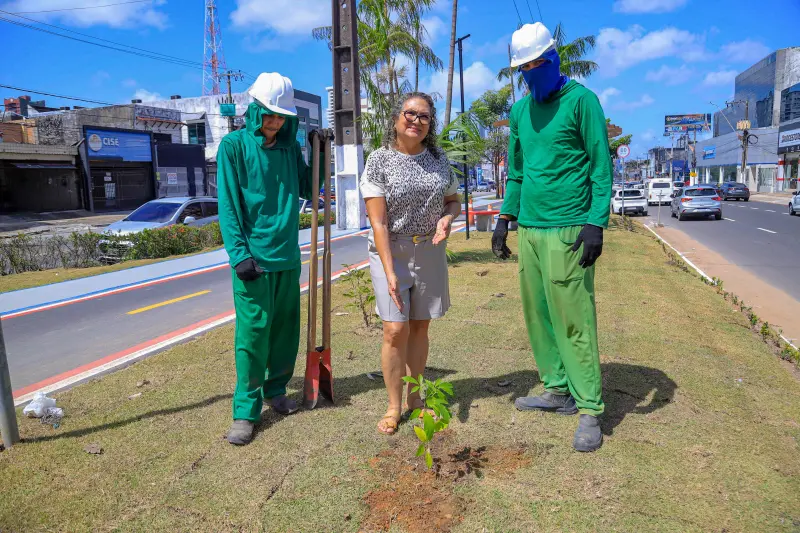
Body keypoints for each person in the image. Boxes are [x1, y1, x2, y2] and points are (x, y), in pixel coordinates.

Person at [491, 23, 613, 452]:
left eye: (536, 63)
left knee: (574, 318)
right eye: (523, 67)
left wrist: (596, 222)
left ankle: (589, 407)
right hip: (530, 228)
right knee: (538, 314)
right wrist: (505, 218)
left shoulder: (582, 102)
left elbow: (600, 166)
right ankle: (557, 388)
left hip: (570, 229)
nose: (530, 72)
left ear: (553, 58)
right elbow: (517, 172)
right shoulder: (520, 112)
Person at [217, 72, 318, 445]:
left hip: (287, 256)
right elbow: (228, 204)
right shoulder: (233, 146)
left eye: (281, 116)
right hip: (253, 261)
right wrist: (239, 255)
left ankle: (275, 390)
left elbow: (309, 186)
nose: (275, 122)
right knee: (253, 334)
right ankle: (245, 411)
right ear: (255, 110)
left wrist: (320, 152)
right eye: (269, 114)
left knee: (285, 330)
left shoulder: (290, 149)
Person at [360, 92, 461, 435]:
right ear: (396, 118)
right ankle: (393, 406)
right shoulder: (379, 160)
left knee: (419, 326)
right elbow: (378, 223)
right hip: (391, 250)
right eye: (410, 114)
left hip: (429, 250)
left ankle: (414, 399)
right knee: (394, 329)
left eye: (424, 117)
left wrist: (447, 218)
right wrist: (389, 271)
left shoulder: (438, 160)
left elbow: (453, 201)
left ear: (430, 124)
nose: (416, 121)